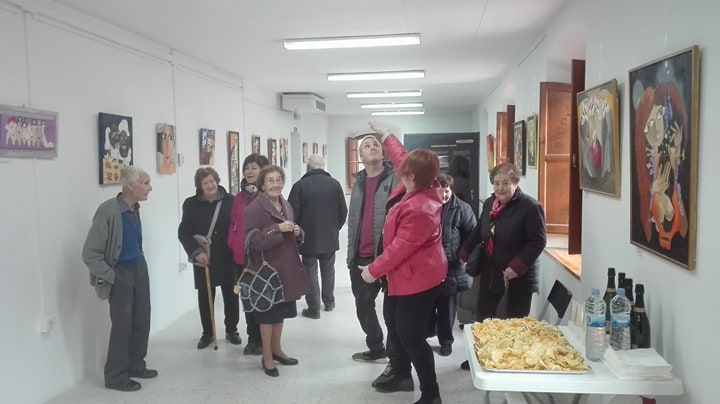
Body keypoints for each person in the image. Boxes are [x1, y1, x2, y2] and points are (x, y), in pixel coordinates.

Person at [360, 122, 446, 404]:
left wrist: (372, 271)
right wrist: (386, 135)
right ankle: (401, 373)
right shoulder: (420, 182)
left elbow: (399, 249)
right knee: (394, 323)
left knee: (411, 336)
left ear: (411, 176)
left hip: (417, 280)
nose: (399, 170)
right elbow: (402, 157)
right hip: (402, 277)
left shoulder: (421, 208)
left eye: (404, 172)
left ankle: (431, 393)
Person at [458, 162, 547, 370]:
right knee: (484, 318)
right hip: (491, 271)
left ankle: (510, 364)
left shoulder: (530, 207)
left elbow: (538, 242)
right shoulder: (490, 203)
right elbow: (479, 231)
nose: (500, 188)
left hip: (518, 278)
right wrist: (463, 254)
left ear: (515, 183)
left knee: (513, 323)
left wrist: (516, 266)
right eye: (496, 183)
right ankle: (481, 356)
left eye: (506, 183)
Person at [82, 166, 156, 392]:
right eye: (146, 183)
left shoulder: (135, 208)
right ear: (130, 186)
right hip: (120, 272)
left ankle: (135, 364)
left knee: (142, 318)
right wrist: (111, 276)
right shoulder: (108, 211)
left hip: (138, 267)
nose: (150, 188)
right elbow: (90, 254)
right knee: (122, 325)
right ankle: (115, 376)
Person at [244, 165, 310, 377]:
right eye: (270, 181)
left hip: (286, 269)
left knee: (280, 313)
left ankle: (277, 350)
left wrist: (298, 232)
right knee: (267, 315)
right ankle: (267, 357)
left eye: (278, 180)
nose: (275, 184)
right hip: (267, 271)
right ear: (262, 186)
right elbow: (252, 240)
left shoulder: (285, 204)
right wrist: (276, 229)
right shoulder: (254, 208)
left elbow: (293, 232)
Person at [346, 130, 399, 363]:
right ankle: (376, 347)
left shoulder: (395, 178)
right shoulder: (358, 183)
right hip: (361, 257)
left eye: (376, 144)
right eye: (367, 146)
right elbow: (353, 222)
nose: (373, 147)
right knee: (363, 306)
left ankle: (396, 357)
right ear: (361, 156)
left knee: (392, 311)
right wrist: (350, 255)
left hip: (387, 257)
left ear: (383, 151)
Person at [178, 167, 240, 349]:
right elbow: (184, 232)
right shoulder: (190, 204)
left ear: (217, 180)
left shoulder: (231, 201)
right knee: (205, 295)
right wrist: (196, 252)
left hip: (227, 254)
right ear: (199, 186)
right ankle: (208, 333)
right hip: (204, 255)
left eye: (212, 181)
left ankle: (232, 330)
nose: (210, 185)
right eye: (205, 183)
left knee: (231, 293)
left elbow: (237, 226)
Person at [288, 154, 348, 319]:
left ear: (308, 167)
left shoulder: (299, 186)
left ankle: (313, 308)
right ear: (323, 167)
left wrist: (297, 233)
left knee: (310, 272)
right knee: (328, 270)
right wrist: (335, 228)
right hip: (329, 236)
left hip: (307, 237)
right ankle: (329, 302)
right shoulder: (335, 185)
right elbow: (343, 211)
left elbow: (291, 213)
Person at [428, 173, 476, 357]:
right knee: (427, 305)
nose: (443, 195)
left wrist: (463, 256)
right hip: (429, 268)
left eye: (446, 191)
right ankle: (429, 332)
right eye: (439, 191)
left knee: (447, 309)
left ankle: (446, 341)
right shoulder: (427, 206)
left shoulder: (463, 209)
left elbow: (472, 236)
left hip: (451, 267)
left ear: (452, 190)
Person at [227, 153, 269, 355]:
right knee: (247, 298)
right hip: (241, 256)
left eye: (254, 168)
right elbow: (233, 224)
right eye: (246, 168)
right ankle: (252, 338)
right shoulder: (238, 198)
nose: (249, 172)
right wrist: (232, 242)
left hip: (262, 256)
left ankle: (263, 340)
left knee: (262, 299)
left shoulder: (268, 196)